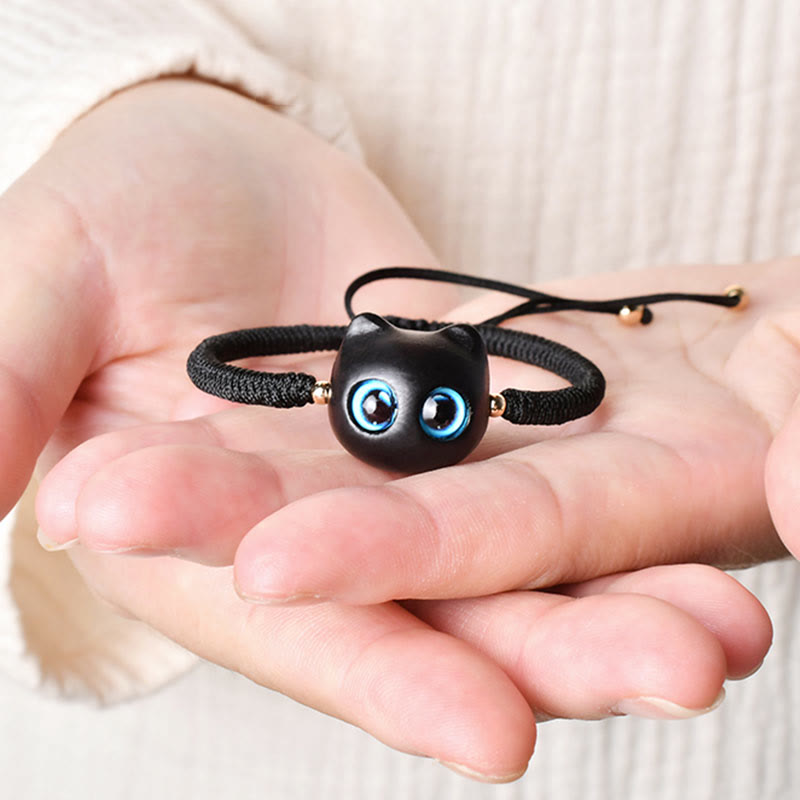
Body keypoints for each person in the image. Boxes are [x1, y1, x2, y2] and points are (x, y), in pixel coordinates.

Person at [1, 1, 799, 796]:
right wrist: (130, 94)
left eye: (444, 412)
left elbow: (578, 393)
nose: (414, 420)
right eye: (376, 409)